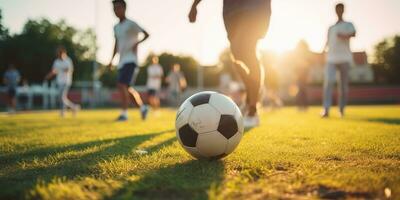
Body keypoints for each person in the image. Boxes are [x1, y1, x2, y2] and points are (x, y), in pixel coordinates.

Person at [189, 0, 271, 127]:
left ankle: (252, 109)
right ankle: (252, 93)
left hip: (255, 6)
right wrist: (195, 5)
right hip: (232, 9)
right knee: (236, 53)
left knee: (248, 48)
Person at [108, 0, 150, 121]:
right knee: (127, 88)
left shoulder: (131, 24)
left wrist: (137, 43)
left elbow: (146, 34)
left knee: (121, 85)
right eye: (114, 8)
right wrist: (111, 60)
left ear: (124, 8)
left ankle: (124, 114)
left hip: (131, 60)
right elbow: (116, 44)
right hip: (121, 61)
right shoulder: (116, 27)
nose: (116, 11)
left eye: (118, 8)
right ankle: (143, 108)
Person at [321, 3, 356, 118]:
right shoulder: (331, 27)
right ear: (335, 11)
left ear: (343, 10)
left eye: (341, 9)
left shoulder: (348, 24)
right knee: (329, 82)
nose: (339, 11)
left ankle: (341, 110)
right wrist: (322, 52)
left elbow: (353, 33)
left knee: (343, 86)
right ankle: (326, 110)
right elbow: (327, 42)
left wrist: (344, 35)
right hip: (331, 58)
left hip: (345, 58)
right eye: (337, 9)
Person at [45, 46, 80, 117]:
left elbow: (69, 70)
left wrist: (61, 70)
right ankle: (74, 107)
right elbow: (54, 71)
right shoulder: (56, 62)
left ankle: (63, 112)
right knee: (62, 97)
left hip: (66, 81)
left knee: (62, 97)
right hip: (59, 82)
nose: (60, 55)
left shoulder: (68, 60)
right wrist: (48, 76)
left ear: (64, 53)